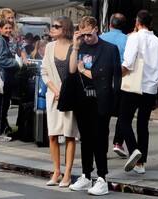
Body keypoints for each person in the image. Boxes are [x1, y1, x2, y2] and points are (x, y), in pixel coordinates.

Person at [59, 16, 121, 195]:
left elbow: (108, 78)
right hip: (82, 99)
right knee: (85, 139)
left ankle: (102, 177)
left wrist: (84, 70)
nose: (86, 38)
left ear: (96, 30)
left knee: (99, 139)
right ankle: (86, 174)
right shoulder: (79, 46)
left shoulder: (109, 49)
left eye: (88, 34)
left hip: (100, 100)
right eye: (83, 34)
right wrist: (75, 45)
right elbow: (71, 71)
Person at [119, 10, 158, 174]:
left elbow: (129, 62)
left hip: (133, 86)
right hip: (150, 87)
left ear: (137, 22)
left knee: (124, 120)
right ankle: (141, 164)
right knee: (142, 125)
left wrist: (119, 73)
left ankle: (134, 151)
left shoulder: (134, 37)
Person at [41, 16, 78, 188]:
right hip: (54, 96)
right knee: (53, 134)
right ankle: (56, 171)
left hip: (71, 96)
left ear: (65, 29)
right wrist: (56, 91)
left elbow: (77, 72)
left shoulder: (74, 46)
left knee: (70, 134)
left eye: (56, 26)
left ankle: (68, 173)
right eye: (52, 26)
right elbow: (44, 72)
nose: (52, 29)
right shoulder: (49, 47)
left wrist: (65, 92)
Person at [100, 13, 128, 158]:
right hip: (121, 81)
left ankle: (101, 146)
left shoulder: (101, 38)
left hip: (102, 82)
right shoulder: (128, 40)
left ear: (110, 24)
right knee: (122, 115)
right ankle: (118, 142)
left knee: (103, 117)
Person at [0, 19, 20, 136]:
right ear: (0, 29)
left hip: (3, 78)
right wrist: (15, 64)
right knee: (0, 105)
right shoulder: (0, 41)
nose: (8, 30)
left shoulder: (3, 40)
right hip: (1, 79)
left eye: (10, 28)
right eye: (6, 28)